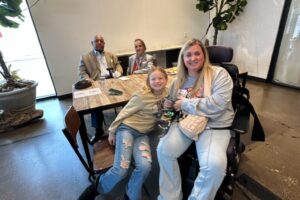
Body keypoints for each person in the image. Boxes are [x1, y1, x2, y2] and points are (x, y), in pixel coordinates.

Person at [157, 38, 234, 200]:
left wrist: (185, 104)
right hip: (186, 124)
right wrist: (168, 104)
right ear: (183, 59)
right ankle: (170, 196)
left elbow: (218, 104)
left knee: (214, 166)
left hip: (213, 125)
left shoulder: (219, 74)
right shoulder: (178, 81)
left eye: (197, 53)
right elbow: (172, 106)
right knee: (163, 151)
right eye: (188, 55)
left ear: (204, 55)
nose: (193, 58)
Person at [78, 67, 169, 200]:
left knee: (145, 167)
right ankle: (96, 188)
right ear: (148, 82)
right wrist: (112, 131)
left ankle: (131, 194)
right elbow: (124, 112)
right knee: (121, 169)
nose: (157, 81)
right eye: (153, 79)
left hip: (142, 134)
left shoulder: (167, 94)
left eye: (161, 78)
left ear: (166, 80)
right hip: (127, 129)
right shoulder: (141, 97)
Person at [78, 34, 123, 144]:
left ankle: (125, 126)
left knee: (125, 97)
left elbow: (118, 65)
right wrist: (88, 79)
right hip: (96, 84)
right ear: (92, 43)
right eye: (96, 41)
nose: (99, 42)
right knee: (95, 105)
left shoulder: (111, 55)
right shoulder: (85, 57)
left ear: (104, 43)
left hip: (112, 83)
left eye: (101, 41)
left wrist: (118, 72)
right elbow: (82, 72)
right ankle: (99, 131)